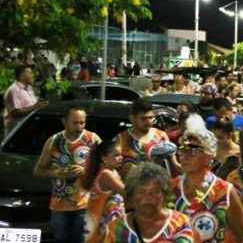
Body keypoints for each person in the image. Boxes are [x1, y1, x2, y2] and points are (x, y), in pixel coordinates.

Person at [172, 114, 243, 243]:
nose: (185, 155)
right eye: (182, 149)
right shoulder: (170, 188)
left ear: (209, 155)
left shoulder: (225, 192)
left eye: (193, 149)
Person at [34, 106, 102, 243]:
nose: (79, 127)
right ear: (64, 121)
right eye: (75, 123)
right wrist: (56, 173)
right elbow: (38, 171)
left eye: (82, 122)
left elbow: (106, 166)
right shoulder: (54, 141)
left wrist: (86, 170)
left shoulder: (93, 139)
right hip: (59, 205)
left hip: (86, 203)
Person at [101, 163, 195, 243]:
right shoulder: (116, 228)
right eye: (142, 192)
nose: (148, 197)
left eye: (156, 191)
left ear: (164, 194)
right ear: (132, 196)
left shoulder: (180, 223)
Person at [114, 99, 174, 175]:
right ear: (133, 118)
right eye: (143, 118)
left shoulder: (161, 135)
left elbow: (173, 163)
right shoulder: (122, 138)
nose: (148, 121)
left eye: (150, 118)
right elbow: (114, 165)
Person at [83, 138, 126, 243]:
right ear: (104, 158)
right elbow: (127, 192)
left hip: (101, 219)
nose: (121, 158)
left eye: (121, 155)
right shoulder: (106, 174)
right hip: (101, 222)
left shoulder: (111, 171)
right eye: (116, 155)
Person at [4, 65, 47, 135]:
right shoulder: (14, 89)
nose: (32, 75)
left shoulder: (29, 88)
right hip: (16, 131)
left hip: (27, 128)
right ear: (21, 76)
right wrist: (35, 107)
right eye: (29, 73)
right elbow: (15, 112)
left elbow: (31, 105)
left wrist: (41, 104)